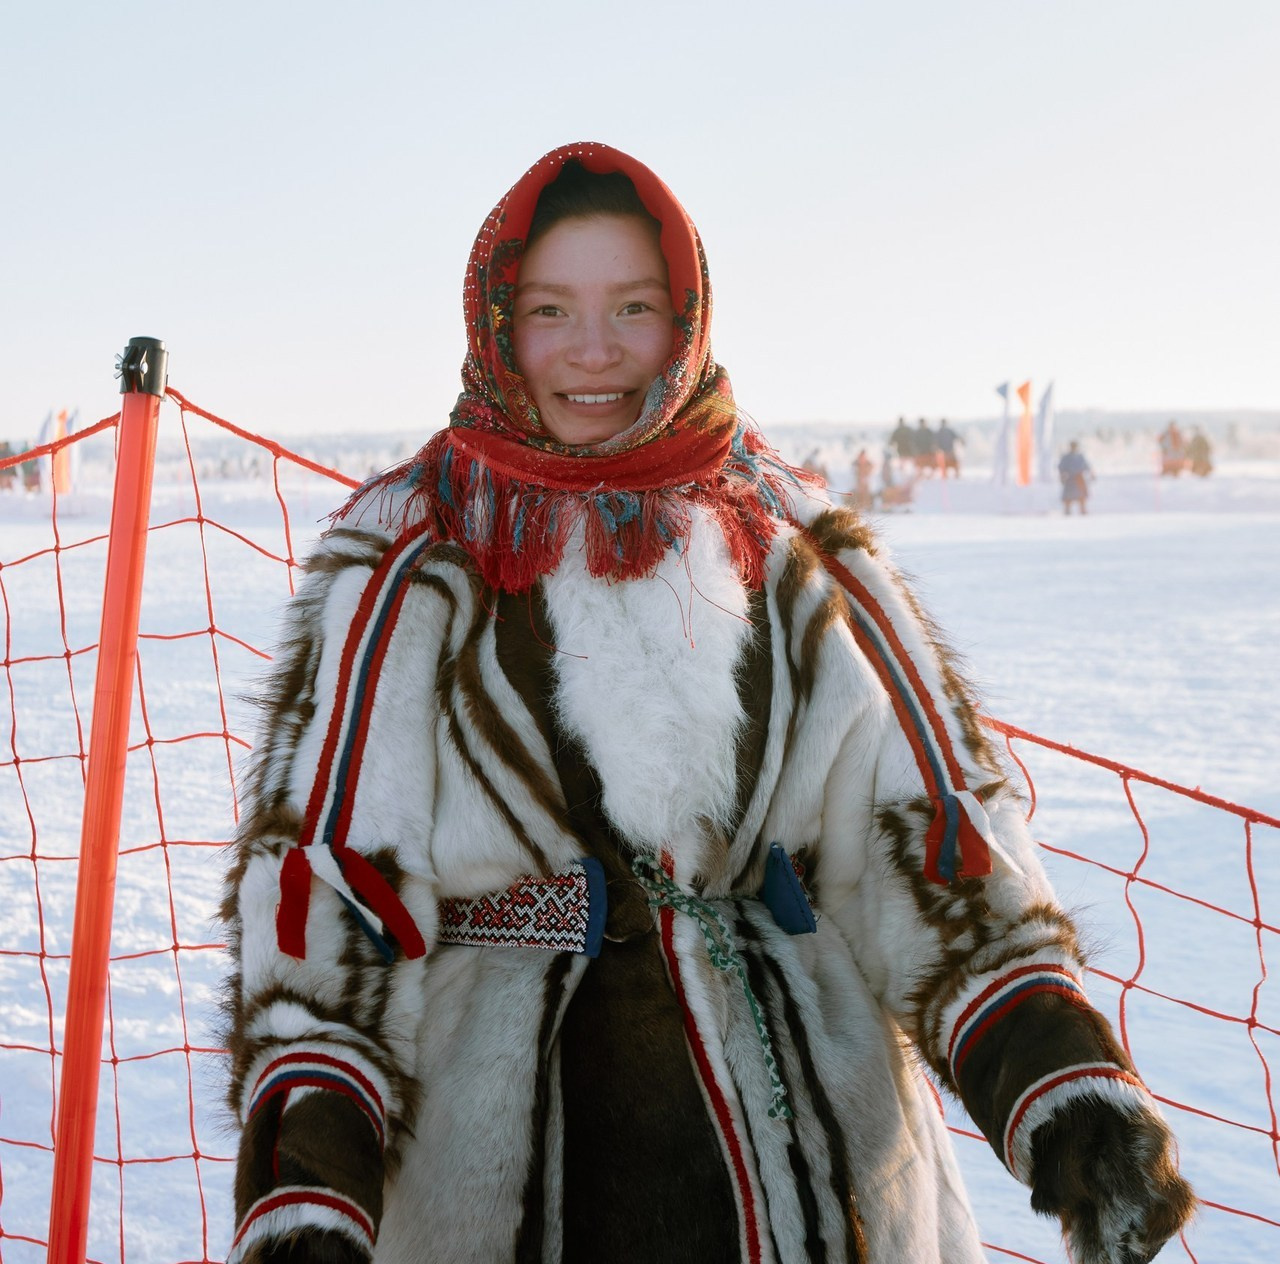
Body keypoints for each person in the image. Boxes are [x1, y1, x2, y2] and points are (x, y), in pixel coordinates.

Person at [222, 143, 1193, 1264]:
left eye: (633, 307)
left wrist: (1054, 1074)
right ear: (497, 322)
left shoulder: (788, 541)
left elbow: (922, 822)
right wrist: (313, 1172)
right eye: (549, 310)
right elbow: (331, 870)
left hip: (821, 1155)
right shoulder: (414, 553)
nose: (593, 350)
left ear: (685, 316)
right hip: (495, 1164)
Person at [1059, 439, 1095, 515]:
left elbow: (1086, 466)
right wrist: (1062, 476)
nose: (1074, 448)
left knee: (1082, 497)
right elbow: (1061, 468)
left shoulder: (1080, 456)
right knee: (1068, 498)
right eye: (1073, 446)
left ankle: (1083, 511)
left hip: (1079, 479)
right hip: (1070, 479)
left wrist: (1092, 474)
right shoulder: (1066, 457)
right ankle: (1067, 511)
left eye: (1075, 446)